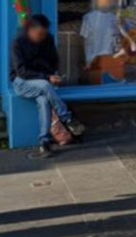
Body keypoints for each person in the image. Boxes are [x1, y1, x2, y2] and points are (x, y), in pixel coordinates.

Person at [10, 14, 86, 159]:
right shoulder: (18, 44)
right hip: (22, 82)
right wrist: (46, 77)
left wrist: (53, 75)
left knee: (44, 102)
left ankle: (44, 143)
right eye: (39, 34)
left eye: (44, 34)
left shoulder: (48, 39)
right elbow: (21, 72)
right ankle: (68, 119)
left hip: (43, 82)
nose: (41, 37)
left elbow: (53, 61)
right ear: (30, 30)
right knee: (44, 85)